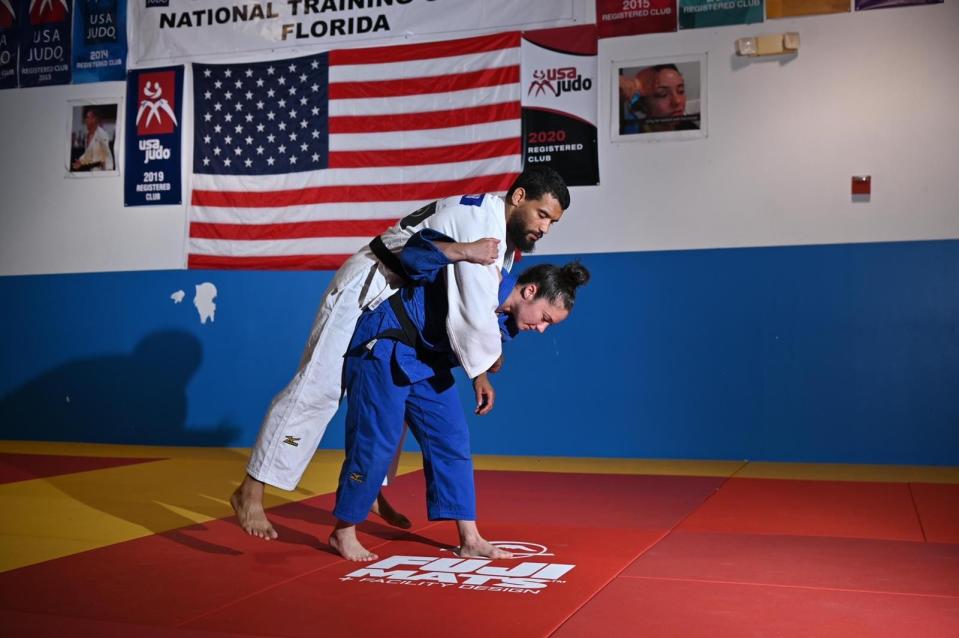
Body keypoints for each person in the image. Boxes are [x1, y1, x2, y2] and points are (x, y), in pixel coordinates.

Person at [231, 167, 570, 540]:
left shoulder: (501, 238)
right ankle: (252, 489)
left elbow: (478, 304)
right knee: (321, 386)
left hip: (399, 297)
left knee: (399, 402)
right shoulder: (482, 222)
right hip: (372, 280)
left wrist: (487, 357)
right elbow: (471, 308)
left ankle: (370, 488)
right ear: (519, 197)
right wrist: (482, 367)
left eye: (553, 222)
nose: (546, 228)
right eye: (543, 215)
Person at [330, 229, 590, 561]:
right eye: (544, 319)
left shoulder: (510, 323)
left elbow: (470, 341)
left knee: (452, 440)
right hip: (386, 343)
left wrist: (482, 372)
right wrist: (463, 250)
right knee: (376, 440)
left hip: (426, 363)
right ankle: (344, 530)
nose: (541, 329)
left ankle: (470, 538)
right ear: (529, 291)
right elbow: (419, 255)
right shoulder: (481, 270)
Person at [618, 64, 699, 134]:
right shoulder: (630, 133)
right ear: (643, 103)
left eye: (680, 91)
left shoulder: (690, 128)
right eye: (662, 94)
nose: (677, 101)